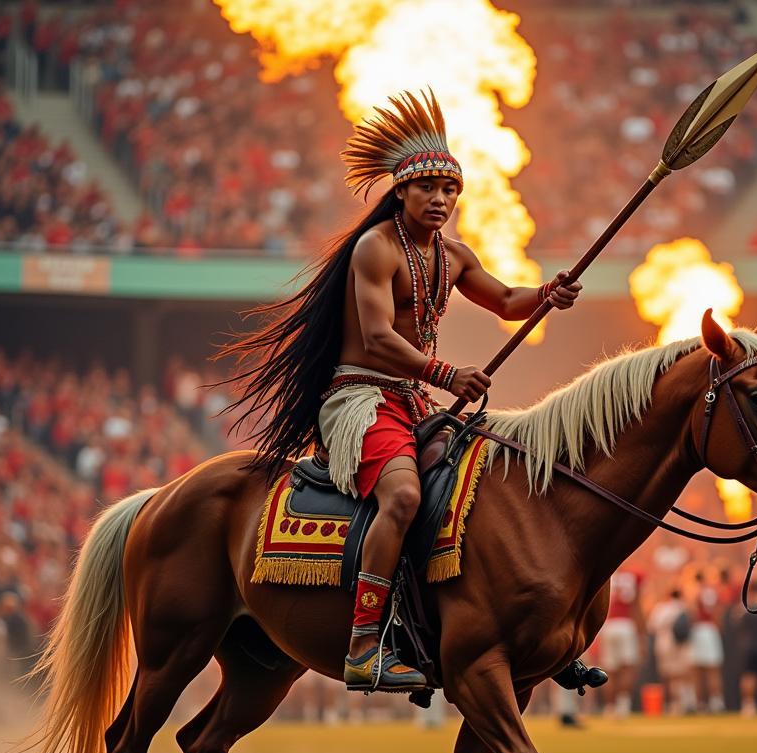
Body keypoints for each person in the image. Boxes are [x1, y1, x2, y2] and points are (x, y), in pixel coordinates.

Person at [218, 91, 582, 691]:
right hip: (359, 399)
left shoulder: (454, 256)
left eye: (450, 191)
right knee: (404, 497)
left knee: (485, 485)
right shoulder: (376, 247)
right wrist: (445, 374)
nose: (440, 201)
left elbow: (508, 302)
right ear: (401, 191)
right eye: (428, 189)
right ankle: (365, 643)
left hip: (413, 402)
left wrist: (548, 293)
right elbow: (379, 337)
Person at [597, 564, 644, 717]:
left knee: (609, 670)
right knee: (627, 668)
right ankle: (623, 705)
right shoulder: (634, 576)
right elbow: (636, 606)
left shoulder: (608, 573)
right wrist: (641, 632)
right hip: (625, 625)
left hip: (608, 625)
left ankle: (609, 707)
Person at [689, 570, 724, 712]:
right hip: (709, 629)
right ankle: (716, 702)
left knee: (698, 670)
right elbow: (717, 613)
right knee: (712, 669)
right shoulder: (710, 592)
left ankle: (701, 703)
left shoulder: (694, 591)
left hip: (698, 630)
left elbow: (692, 612)